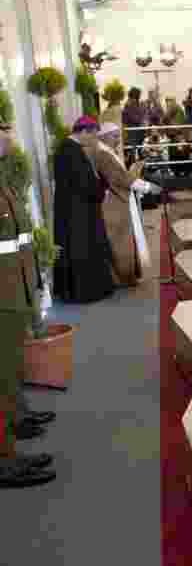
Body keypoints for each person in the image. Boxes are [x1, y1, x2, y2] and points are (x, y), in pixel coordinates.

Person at [0, 121, 57, 488]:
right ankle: (4, 461)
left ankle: (10, 441)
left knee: (8, 374)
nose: (7, 136)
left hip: (11, 291)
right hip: (2, 297)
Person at [52, 116, 115, 304]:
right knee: (83, 251)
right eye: (93, 135)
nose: (94, 139)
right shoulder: (72, 151)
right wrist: (101, 188)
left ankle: (70, 290)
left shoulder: (66, 148)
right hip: (79, 212)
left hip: (70, 210)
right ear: (84, 131)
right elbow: (85, 184)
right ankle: (87, 291)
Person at [94, 123, 161, 286]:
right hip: (113, 205)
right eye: (115, 136)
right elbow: (120, 178)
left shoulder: (108, 152)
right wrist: (147, 187)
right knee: (120, 242)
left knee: (124, 240)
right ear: (103, 137)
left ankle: (126, 275)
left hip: (119, 201)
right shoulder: (103, 154)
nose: (118, 140)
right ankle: (123, 277)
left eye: (119, 136)